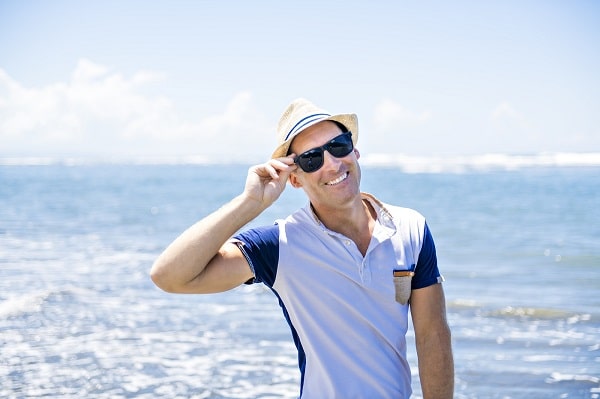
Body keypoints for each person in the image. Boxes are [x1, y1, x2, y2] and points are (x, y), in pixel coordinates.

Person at [150, 98, 454, 398]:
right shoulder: (282, 245)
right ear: (294, 179)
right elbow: (170, 276)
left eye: (338, 146)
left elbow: (432, 336)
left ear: (355, 150)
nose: (333, 164)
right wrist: (250, 203)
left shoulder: (410, 228)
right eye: (312, 159)